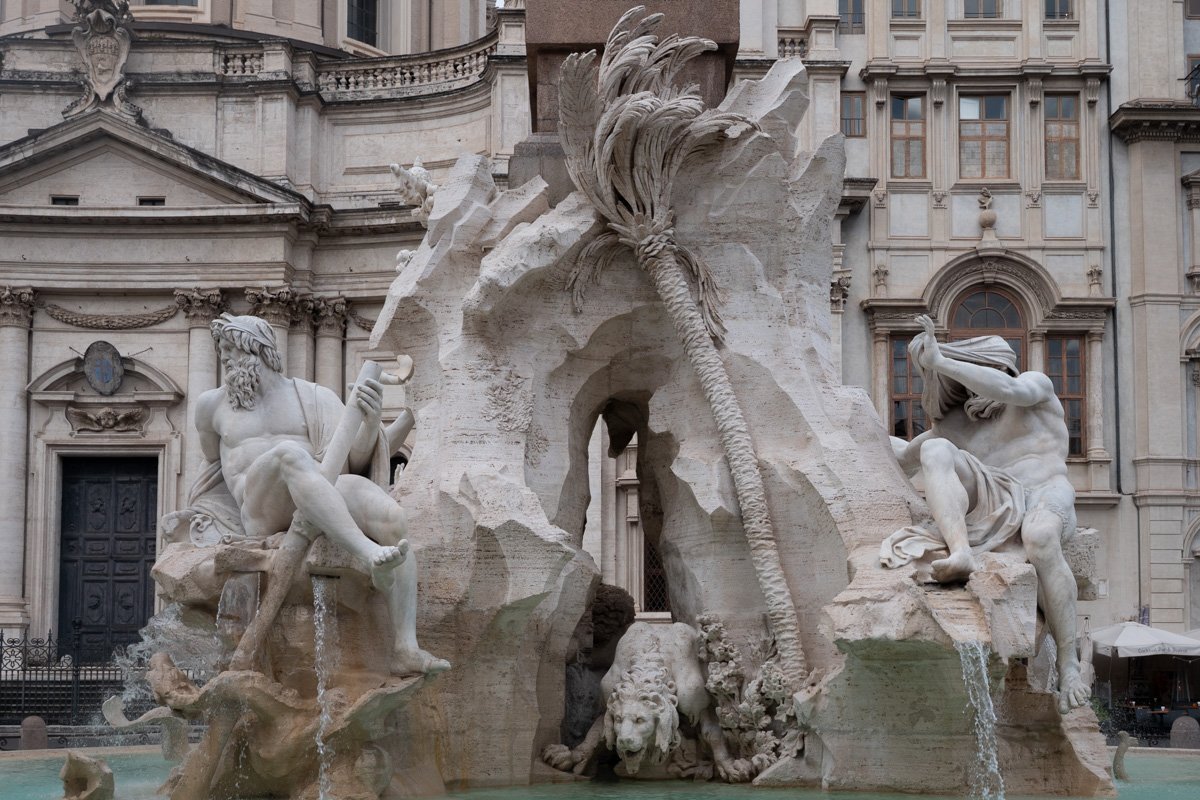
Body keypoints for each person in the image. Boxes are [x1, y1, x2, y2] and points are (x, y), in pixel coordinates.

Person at [193, 313, 448, 676]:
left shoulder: (312, 396)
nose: (226, 359)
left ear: (260, 350)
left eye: (233, 349)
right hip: (262, 509)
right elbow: (211, 466)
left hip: (317, 489)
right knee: (290, 455)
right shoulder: (211, 406)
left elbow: (351, 459)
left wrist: (372, 422)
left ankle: (406, 647)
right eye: (222, 350)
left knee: (393, 518)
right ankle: (369, 552)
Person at [881, 314, 1088, 713]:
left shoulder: (1033, 387)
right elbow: (902, 455)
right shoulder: (957, 426)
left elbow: (1008, 388)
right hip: (997, 498)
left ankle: (1070, 661)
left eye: (973, 377)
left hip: (1045, 491)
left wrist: (941, 361)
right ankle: (961, 553)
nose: (968, 393)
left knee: (1041, 536)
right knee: (933, 450)